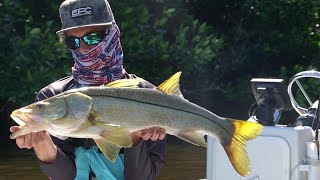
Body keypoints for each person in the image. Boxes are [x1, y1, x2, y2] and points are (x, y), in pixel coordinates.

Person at [9, 0, 167, 179]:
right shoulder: (52, 96)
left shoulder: (149, 95)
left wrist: (136, 137)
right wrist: (42, 143)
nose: (83, 48)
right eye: (73, 41)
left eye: (92, 37)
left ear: (113, 34)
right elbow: (65, 177)